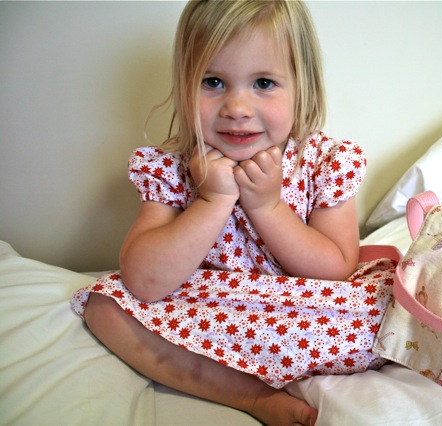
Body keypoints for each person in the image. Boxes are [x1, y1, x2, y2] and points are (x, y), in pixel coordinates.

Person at [70, 1, 396, 425]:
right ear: (185, 85)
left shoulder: (322, 162)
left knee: (388, 314)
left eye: (264, 83)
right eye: (213, 82)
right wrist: (212, 202)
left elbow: (336, 269)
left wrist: (268, 206)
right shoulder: (171, 168)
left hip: (302, 314)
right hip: (214, 314)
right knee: (105, 307)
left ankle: (286, 361)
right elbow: (144, 282)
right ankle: (254, 397)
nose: (237, 108)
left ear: (302, 88)